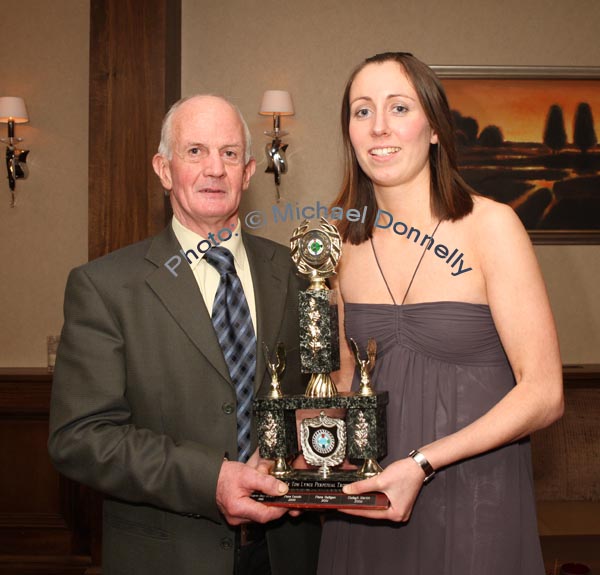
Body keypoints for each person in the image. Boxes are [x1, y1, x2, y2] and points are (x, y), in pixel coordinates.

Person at [48, 94, 320, 575]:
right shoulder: (105, 287)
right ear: (164, 169)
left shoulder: (296, 272)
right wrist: (209, 478)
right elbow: (80, 437)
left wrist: (303, 451)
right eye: (195, 151)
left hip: (287, 551)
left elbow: (314, 396)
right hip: (168, 554)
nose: (215, 168)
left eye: (230, 153)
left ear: (249, 171)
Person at [317, 53, 563, 574]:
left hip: (475, 500)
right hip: (369, 500)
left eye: (399, 107)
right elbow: (341, 386)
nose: (379, 126)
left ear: (433, 128)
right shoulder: (338, 242)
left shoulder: (491, 227)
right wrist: (298, 455)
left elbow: (544, 393)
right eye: (362, 112)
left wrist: (421, 463)